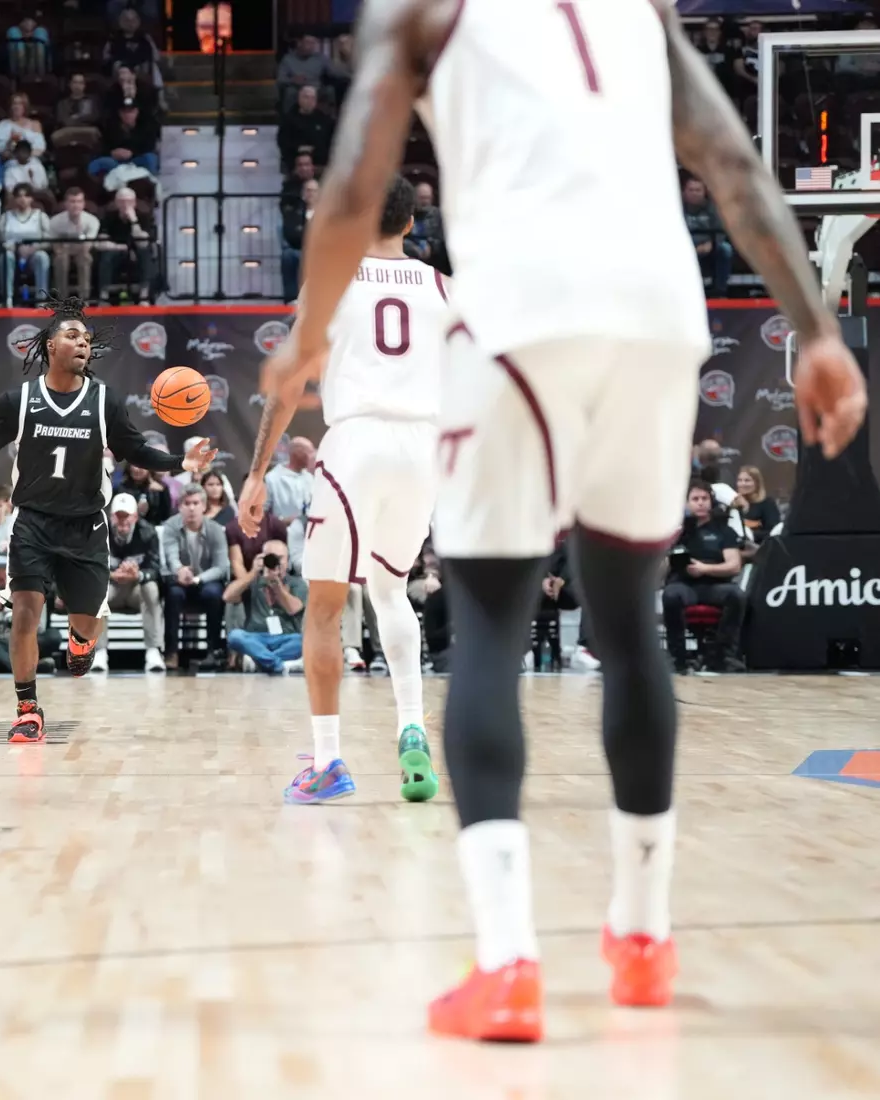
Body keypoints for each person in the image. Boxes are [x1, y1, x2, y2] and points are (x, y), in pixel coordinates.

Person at [270, 0, 866, 1041]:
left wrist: (310, 334)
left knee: (493, 620)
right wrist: (816, 328)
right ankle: (642, 935)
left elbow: (356, 184)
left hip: (518, 312)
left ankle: (506, 961)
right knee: (629, 623)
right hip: (656, 311)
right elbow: (732, 162)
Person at [238, 177, 446, 805]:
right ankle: (411, 725)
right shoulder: (445, 289)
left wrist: (255, 473)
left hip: (358, 442)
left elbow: (289, 385)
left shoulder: (332, 287)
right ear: (411, 224)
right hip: (423, 448)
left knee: (325, 604)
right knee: (390, 588)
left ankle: (329, 762)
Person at [0, 296, 216, 742]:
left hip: (87, 527)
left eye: (88, 339)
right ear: (49, 346)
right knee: (25, 616)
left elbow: (138, 451)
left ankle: (81, 643)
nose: (83, 344)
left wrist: (182, 463)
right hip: (33, 523)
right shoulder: (20, 399)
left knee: (86, 621)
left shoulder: (104, 401)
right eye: (73, 335)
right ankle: (27, 708)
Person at [663, 481, 745, 673]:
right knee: (671, 595)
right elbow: (660, 571)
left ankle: (723, 656)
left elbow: (734, 565)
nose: (700, 503)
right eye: (695, 499)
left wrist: (704, 569)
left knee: (737, 596)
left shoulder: (724, 530)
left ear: (711, 502)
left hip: (714, 585)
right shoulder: (677, 531)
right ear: (686, 503)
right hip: (683, 584)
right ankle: (678, 658)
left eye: (704, 499)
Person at [94, 493, 164, 673]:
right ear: (111, 517)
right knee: (95, 592)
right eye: (119, 516)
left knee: (151, 587)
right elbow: (89, 567)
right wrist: (111, 574)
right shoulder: (99, 532)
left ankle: (153, 650)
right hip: (112, 588)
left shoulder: (148, 532)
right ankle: (100, 652)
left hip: (136, 589)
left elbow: (156, 570)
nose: (123, 521)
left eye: (127, 516)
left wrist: (138, 575)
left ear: (135, 516)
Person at [223, 539, 308, 674]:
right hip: (256, 638)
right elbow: (227, 596)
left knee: (305, 640)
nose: (275, 563)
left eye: (280, 558)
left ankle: (259, 660)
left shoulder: (296, 583)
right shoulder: (253, 581)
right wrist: (252, 572)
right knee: (235, 636)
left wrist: (277, 585)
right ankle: (279, 664)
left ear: (287, 561)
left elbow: (293, 609)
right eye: (270, 557)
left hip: (286, 638)